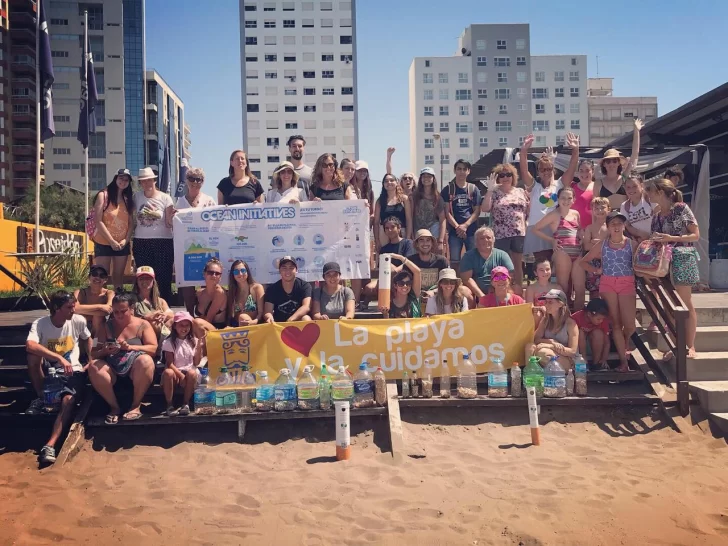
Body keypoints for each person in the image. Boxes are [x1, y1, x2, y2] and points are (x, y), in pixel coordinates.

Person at [25, 290, 92, 464]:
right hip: (51, 369)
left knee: (68, 400)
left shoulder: (78, 321)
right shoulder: (41, 323)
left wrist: (91, 360)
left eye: (74, 306)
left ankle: (50, 444)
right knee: (32, 355)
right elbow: (30, 344)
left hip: (73, 371)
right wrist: (58, 358)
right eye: (69, 307)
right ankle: (41, 396)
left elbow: (87, 338)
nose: (74, 310)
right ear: (56, 308)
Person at [646, 178, 701, 358]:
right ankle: (676, 345)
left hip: (682, 258)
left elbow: (695, 235)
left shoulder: (681, 208)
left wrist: (671, 238)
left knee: (685, 303)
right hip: (663, 263)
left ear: (660, 192)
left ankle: (690, 346)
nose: (648, 194)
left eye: (651, 191)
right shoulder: (656, 215)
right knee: (668, 306)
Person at [578, 211, 637, 372]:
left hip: (627, 283)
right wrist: (596, 270)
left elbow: (640, 263)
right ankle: (623, 361)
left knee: (630, 324)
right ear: (608, 227)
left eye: (619, 223)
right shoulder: (602, 244)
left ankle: (624, 342)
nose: (616, 227)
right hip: (608, 283)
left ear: (624, 225)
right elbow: (583, 262)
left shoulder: (631, 244)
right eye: (613, 224)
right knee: (616, 323)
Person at [88, 291, 158, 423]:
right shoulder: (105, 326)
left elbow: (153, 349)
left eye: (123, 311)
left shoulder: (143, 325)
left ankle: (136, 405)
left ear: (132, 309)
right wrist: (104, 350)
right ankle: (114, 407)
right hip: (112, 368)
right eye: (116, 312)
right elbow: (94, 352)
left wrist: (131, 347)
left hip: (135, 369)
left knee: (146, 360)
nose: (119, 315)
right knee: (94, 366)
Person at [520, 132, 580, 262]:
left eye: (549, 169)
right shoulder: (534, 187)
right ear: (538, 172)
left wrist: (575, 150)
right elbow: (524, 171)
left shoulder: (560, 184)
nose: (546, 172)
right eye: (542, 169)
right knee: (542, 266)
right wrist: (524, 151)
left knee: (557, 267)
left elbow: (572, 168)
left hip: (556, 230)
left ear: (553, 169)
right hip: (537, 231)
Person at [481, 163, 529, 294]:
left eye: (508, 174)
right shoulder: (495, 193)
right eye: (502, 175)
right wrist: (489, 190)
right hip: (501, 234)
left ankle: (518, 292)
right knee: (502, 264)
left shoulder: (520, 191)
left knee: (518, 265)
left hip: (519, 232)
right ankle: (503, 290)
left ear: (513, 176)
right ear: (497, 178)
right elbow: (484, 208)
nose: (505, 177)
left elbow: (527, 210)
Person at [175, 167, 217, 314]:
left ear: (203, 182)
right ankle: (189, 314)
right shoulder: (179, 202)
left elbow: (216, 222)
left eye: (199, 180)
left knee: (207, 281)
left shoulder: (209, 200)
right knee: (187, 282)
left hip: (206, 246)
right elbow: (172, 225)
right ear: (186, 181)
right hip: (186, 248)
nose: (195, 182)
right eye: (192, 179)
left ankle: (204, 314)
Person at [132, 167, 176, 303]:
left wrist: (176, 217)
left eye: (149, 180)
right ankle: (143, 304)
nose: (146, 183)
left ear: (154, 181)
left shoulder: (165, 197)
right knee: (144, 275)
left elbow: (169, 223)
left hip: (163, 241)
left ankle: (163, 303)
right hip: (141, 241)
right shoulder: (136, 197)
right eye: (143, 181)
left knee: (163, 275)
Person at [532, 187, 582, 299]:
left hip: (577, 252)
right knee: (563, 287)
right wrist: (552, 240)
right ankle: (563, 314)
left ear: (574, 199)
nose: (566, 201)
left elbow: (578, 230)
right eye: (563, 198)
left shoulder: (576, 214)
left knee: (580, 288)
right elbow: (535, 229)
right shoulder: (554, 214)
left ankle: (578, 315)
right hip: (562, 252)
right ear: (558, 199)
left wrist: (583, 236)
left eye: (569, 198)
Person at [91, 168, 134, 289]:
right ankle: (101, 302)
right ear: (115, 178)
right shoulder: (103, 195)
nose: (123, 181)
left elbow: (131, 223)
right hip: (103, 242)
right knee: (101, 275)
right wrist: (111, 241)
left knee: (118, 276)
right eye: (121, 178)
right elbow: (98, 221)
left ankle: (119, 302)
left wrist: (125, 241)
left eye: (126, 180)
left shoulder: (128, 199)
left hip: (121, 244)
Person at [441, 159, 482, 272]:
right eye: (459, 169)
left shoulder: (473, 189)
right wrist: (458, 227)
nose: (461, 172)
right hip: (454, 232)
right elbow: (447, 212)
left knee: (473, 259)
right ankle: (455, 285)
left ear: (468, 171)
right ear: (455, 170)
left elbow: (477, 211)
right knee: (454, 261)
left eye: (464, 169)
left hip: (471, 231)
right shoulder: (448, 190)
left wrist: (465, 225)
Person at [593, 118, 643, 211]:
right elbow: (594, 207)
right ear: (603, 164)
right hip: (607, 221)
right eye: (608, 161)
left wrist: (636, 131)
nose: (611, 164)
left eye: (614, 161)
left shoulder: (624, 178)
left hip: (626, 220)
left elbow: (635, 155)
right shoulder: (598, 183)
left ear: (619, 163)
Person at [526, 289, 579, 370]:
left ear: (560, 304)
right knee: (529, 347)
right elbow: (536, 339)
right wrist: (551, 341)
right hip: (549, 353)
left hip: (568, 360)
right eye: (545, 302)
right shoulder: (545, 320)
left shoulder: (571, 324)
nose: (546, 305)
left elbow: (572, 351)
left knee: (543, 353)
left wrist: (551, 346)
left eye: (550, 302)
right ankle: (532, 376)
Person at [572, 197, 610, 310]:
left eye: (602, 208)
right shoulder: (590, 227)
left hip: (607, 262)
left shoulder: (611, 226)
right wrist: (600, 243)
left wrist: (596, 242)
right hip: (593, 263)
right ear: (592, 211)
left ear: (609, 209)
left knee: (607, 291)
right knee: (594, 291)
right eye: (596, 208)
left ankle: (606, 315)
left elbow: (611, 244)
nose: (599, 210)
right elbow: (586, 245)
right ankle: (594, 312)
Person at [161, 311, 202, 417]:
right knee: (168, 372)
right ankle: (169, 404)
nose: (184, 328)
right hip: (176, 371)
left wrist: (199, 347)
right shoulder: (169, 342)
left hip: (189, 371)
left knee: (193, 373)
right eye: (181, 325)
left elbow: (196, 363)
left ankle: (185, 403)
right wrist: (181, 375)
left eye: (187, 325)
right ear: (175, 326)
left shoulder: (194, 341)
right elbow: (169, 363)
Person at [460, 227, 514, 303]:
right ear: (476, 242)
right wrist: (482, 296)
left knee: (517, 288)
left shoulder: (503, 254)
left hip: (499, 286)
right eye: (482, 238)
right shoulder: (468, 256)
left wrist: (497, 289)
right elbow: (466, 279)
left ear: (494, 240)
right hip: (476, 291)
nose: (485, 240)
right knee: (464, 291)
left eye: (488, 237)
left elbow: (510, 275)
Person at [132, 266, 173, 347]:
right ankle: (161, 349)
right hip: (140, 334)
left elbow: (171, 314)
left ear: (153, 281)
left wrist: (164, 315)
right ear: (137, 281)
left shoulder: (160, 301)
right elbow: (128, 320)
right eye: (141, 278)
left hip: (162, 331)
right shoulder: (132, 300)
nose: (145, 281)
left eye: (148, 278)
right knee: (153, 323)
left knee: (176, 320)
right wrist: (147, 317)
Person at [263, 256, 312, 323]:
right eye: (284, 268)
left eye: (291, 268)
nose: (288, 271)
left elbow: (306, 307)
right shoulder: (272, 289)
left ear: (296, 270)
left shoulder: (304, 286)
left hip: (297, 322)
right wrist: (269, 318)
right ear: (279, 270)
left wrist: (290, 320)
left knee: (306, 318)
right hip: (279, 325)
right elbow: (268, 311)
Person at [374, 173, 413, 250]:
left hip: (401, 232)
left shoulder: (404, 199)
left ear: (396, 182)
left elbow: (409, 219)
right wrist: (377, 240)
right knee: (384, 258)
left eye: (391, 180)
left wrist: (408, 238)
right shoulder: (379, 201)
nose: (389, 183)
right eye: (386, 181)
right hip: (384, 233)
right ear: (383, 184)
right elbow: (376, 222)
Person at [73, 265, 114, 337]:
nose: (98, 277)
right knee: (79, 318)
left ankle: (95, 344)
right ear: (89, 277)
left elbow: (108, 310)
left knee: (97, 317)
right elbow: (74, 308)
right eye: (95, 274)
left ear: (105, 280)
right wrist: (100, 306)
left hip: (99, 327)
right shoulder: (80, 292)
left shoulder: (109, 293)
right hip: (81, 325)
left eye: (102, 276)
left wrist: (82, 310)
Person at [411, 167, 446, 251]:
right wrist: (411, 234)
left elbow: (442, 219)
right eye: (424, 176)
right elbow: (411, 217)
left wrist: (440, 240)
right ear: (420, 179)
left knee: (434, 257)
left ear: (433, 179)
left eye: (429, 176)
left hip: (433, 230)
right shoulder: (414, 196)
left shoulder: (438, 198)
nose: (426, 179)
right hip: (418, 231)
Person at [571, 298, 611, 371]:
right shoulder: (576, 318)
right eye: (598, 319)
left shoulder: (603, 321)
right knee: (580, 332)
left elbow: (607, 343)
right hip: (578, 349)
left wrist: (604, 359)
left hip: (595, 347)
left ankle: (597, 364)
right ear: (589, 314)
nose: (601, 321)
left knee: (598, 332)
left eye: (602, 319)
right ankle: (584, 362)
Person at [193, 258, 228, 332]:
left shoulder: (220, 293)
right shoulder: (199, 293)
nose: (214, 275)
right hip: (202, 329)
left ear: (220, 277)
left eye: (217, 273)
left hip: (218, 331)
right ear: (204, 274)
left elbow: (209, 319)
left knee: (197, 322)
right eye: (210, 272)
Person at [227, 259, 265, 327]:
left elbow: (261, 313)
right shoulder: (232, 291)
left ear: (247, 272)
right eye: (236, 272)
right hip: (237, 326)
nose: (240, 274)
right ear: (232, 274)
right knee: (242, 317)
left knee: (243, 316)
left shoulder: (257, 288)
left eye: (243, 270)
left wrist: (253, 322)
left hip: (254, 325)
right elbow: (230, 315)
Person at [620, 174, 654, 242]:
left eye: (634, 186)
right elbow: (628, 225)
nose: (631, 190)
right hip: (640, 241)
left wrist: (651, 236)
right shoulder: (624, 206)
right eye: (628, 187)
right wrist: (641, 234)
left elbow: (660, 217)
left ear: (641, 186)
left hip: (656, 238)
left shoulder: (650, 199)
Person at [572, 160, 595, 230]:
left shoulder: (598, 187)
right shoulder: (571, 186)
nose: (584, 173)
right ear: (577, 172)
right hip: (574, 228)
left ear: (593, 172)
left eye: (587, 170)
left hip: (592, 229)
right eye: (581, 170)